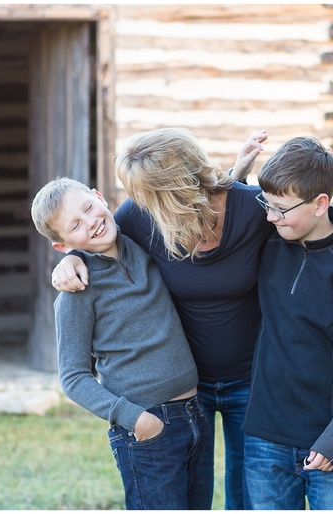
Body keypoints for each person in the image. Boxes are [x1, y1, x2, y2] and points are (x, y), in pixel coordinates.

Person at [51, 128, 270, 509]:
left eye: (153, 195)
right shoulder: (139, 218)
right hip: (176, 400)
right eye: (140, 197)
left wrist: (238, 175)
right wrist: (70, 260)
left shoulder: (251, 209)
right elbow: (96, 244)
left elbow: (232, 208)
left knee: (249, 495)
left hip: (243, 384)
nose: (143, 205)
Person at [31, 177, 212, 510]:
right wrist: (135, 419)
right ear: (62, 245)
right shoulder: (76, 293)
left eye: (89, 208)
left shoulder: (144, 242)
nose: (91, 222)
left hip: (195, 413)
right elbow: (73, 378)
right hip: (146, 428)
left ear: (99, 197)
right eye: (75, 225)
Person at [241, 136, 333, 509]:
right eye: (267, 205)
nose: (271, 216)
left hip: (329, 442)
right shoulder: (269, 239)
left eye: (281, 209)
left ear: (320, 203)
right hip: (264, 437)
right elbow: (216, 216)